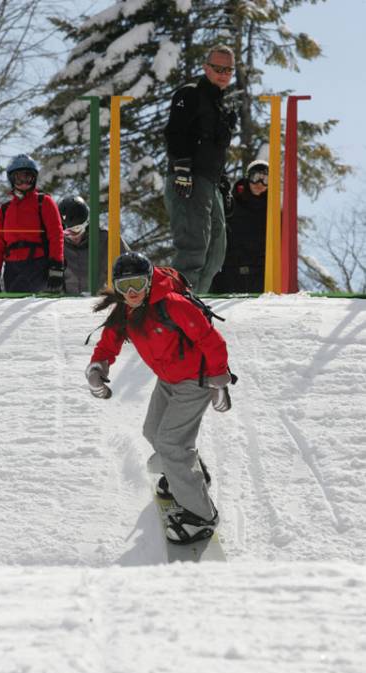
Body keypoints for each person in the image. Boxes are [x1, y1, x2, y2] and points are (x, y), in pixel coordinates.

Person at [85, 252, 232, 545]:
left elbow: (211, 340)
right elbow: (108, 343)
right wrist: (98, 367)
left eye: (138, 283)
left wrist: (219, 382)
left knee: (171, 444)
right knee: (153, 431)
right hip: (169, 378)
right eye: (125, 286)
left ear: (150, 281)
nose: (132, 292)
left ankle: (202, 516)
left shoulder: (173, 305)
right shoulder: (125, 310)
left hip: (195, 380)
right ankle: (188, 473)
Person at [164, 45, 237, 294]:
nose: (223, 74)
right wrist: (182, 168)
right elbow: (175, 133)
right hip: (189, 179)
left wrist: (223, 184)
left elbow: (214, 151)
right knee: (193, 247)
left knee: (216, 249)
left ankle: (195, 302)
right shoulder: (190, 94)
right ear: (206, 67)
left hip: (210, 182)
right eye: (217, 68)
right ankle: (175, 306)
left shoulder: (220, 107)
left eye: (228, 69)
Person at [0, 154, 64, 294]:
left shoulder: (44, 202)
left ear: (33, 179)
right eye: (19, 178)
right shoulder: (5, 210)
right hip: (12, 267)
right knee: (12, 303)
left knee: (20, 299)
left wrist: (56, 266)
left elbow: (56, 235)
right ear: (12, 179)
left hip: (36, 263)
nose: (23, 182)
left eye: (27, 178)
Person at [211, 159, 268, 294]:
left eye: (265, 179)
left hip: (260, 277)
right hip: (230, 273)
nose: (259, 184)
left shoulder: (272, 212)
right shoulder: (232, 204)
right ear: (248, 177)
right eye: (256, 177)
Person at [57, 195, 130, 295]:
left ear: (86, 224)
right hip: (69, 303)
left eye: (77, 230)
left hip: (100, 300)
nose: (73, 236)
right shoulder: (58, 245)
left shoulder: (106, 239)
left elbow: (130, 265)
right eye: (67, 233)